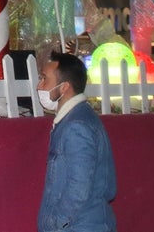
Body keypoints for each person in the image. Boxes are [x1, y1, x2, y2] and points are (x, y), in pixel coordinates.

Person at [36, 51, 116, 232]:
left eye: (44, 79)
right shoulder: (78, 119)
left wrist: (56, 223)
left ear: (64, 87)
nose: (39, 85)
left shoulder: (76, 126)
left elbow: (78, 187)